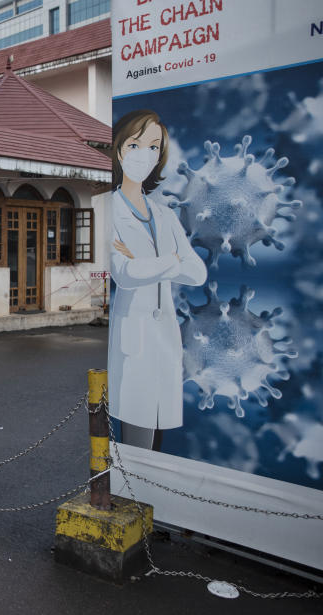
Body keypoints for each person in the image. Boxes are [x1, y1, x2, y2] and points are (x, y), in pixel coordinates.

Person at [109, 109, 206, 450]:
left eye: (154, 147)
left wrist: (153, 263)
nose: (144, 155)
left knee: (160, 428)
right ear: (120, 150)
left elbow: (198, 271)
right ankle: (132, 491)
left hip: (165, 336)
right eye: (136, 145)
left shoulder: (164, 214)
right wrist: (172, 260)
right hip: (133, 338)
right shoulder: (108, 209)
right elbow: (125, 274)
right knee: (137, 433)